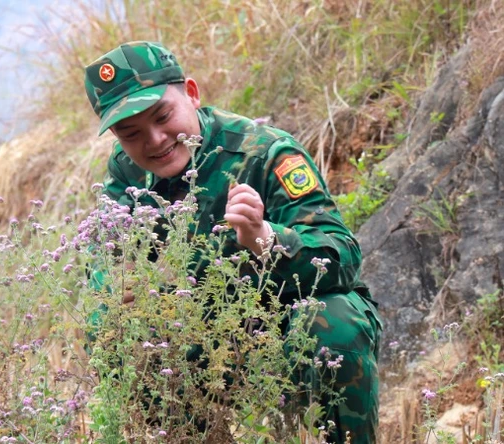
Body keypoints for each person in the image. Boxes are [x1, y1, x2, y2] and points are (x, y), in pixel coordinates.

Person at [83, 41, 382, 443]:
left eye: (163, 116)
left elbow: (342, 254)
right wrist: (119, 289)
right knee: (114, 335)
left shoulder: (264, 152)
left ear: (192, 93)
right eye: (130, 133)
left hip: (283, 325)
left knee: (335, 321)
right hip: (202, 334)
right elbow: (100, 269)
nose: (154, 140)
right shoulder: (125, 175)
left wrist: (266, 239)